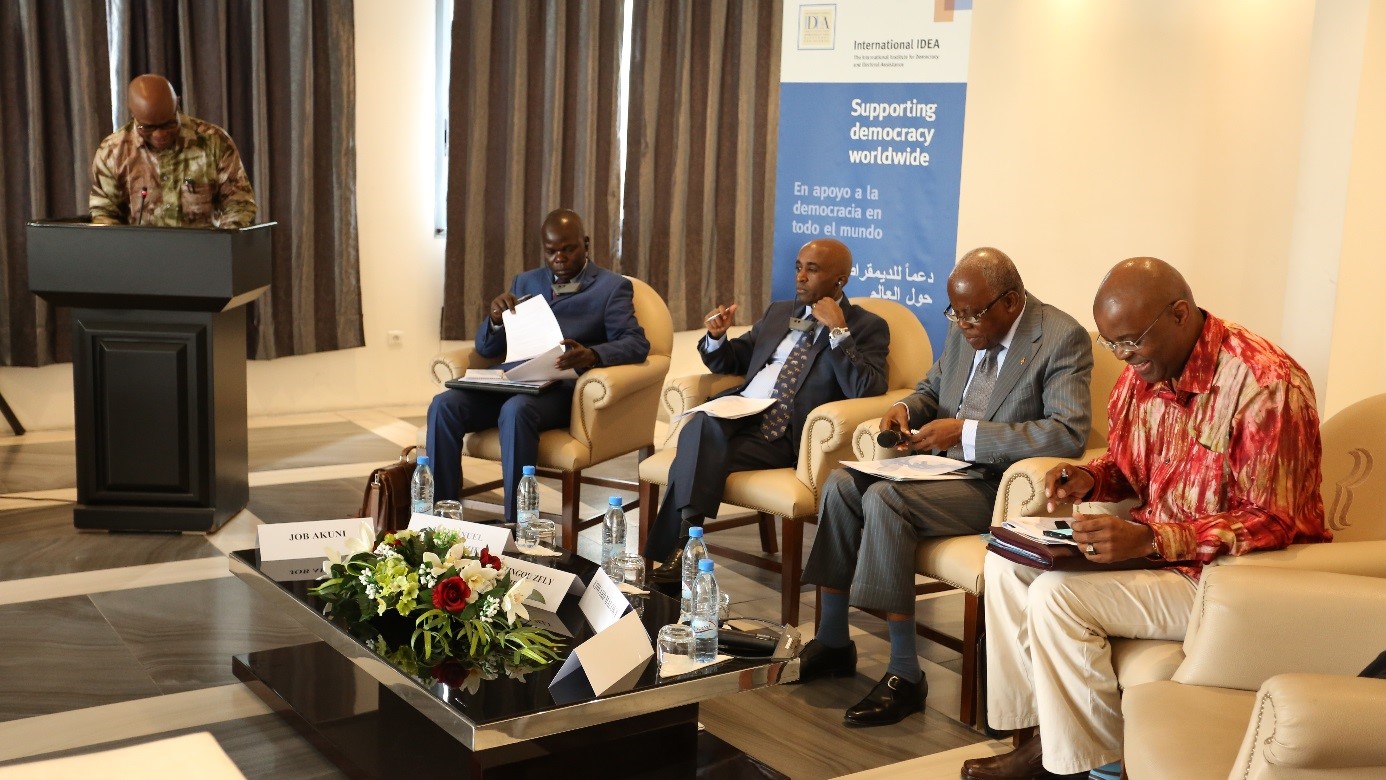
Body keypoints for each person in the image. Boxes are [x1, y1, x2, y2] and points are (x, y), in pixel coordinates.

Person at [962, 257, 1329, 780]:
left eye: (1131, 342)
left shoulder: (1265, 383)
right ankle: (1045, 741)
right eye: (1112, 344)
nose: (1123, 357)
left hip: (1229, 579)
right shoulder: (1142, 375)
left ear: (1180, 314)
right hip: (1159, 556)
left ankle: (1100, 767)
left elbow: (1275, 520)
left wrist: (1151, 538)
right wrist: (1093, 478)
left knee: (1055, 595)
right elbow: (1132, 468)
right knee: (1007, 561)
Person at [796, 247, 1093, 728]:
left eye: (973, 315)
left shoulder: (1060, 338)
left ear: (1012, 302)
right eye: (955, 313)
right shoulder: (965, 328)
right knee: (841, 485)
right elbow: (933, 389)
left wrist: (967, 434)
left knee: (885, 498)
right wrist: (909, 410)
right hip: (938, 472)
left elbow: (1068, 430)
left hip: (995, 484)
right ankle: (833, 641)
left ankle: (905, 674)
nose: (963, 324)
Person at [642, 238, 890, 568]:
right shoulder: (779, 312)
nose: (800, 276)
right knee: (701, 426)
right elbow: (733, 361)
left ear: (840, 280)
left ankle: (677, 551)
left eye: (812, 270)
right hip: (739, 416)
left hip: (786, 432)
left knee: (693, 448)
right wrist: (717, 337)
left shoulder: (866, 326)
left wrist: (838, 331)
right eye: (798, 267)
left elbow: (867, 387)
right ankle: (685, 549)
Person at [427, 209, 649, 520]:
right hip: (512, 380)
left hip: (557, 391)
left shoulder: (611, 288)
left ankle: (519, 525)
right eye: (552, 250)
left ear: (586, 244)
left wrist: (593, 354)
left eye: (568, 248)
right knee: (444, 405)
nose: (560, 257)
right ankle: (440, 518)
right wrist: (494, 320)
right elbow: (487, 348)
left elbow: (636, 343)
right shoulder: (526, 281)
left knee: (516, 410)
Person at [89, 74, 257, 228]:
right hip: (139, 255)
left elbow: (239, 203)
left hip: (204, 253)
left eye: (168, 124)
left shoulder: (214, 141)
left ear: (177, 104)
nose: (159, 134)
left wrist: (222, 246)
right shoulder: (112, 152)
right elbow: (105, 213)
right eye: (148, 127)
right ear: (133, 114)